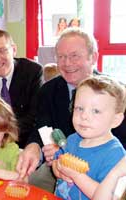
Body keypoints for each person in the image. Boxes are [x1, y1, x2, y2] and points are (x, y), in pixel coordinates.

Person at [16, 27, 126, 192]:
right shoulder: (48, 90)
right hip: (59, 166)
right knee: (27, 183)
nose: (67, 63)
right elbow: (41, 127)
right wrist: (34, 146)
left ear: (93, 57)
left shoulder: (115, 94)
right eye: (61, 57)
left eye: (74, 56)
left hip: (104, 170)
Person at [52, 75, 126, 199]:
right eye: (79, 108)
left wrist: (76, 176)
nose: (84, 116)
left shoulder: (116, 155)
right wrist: (59, 170)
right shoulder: (72, 140)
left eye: (96, 111)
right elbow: (56, 161)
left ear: (115, 120)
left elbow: (105, 195)